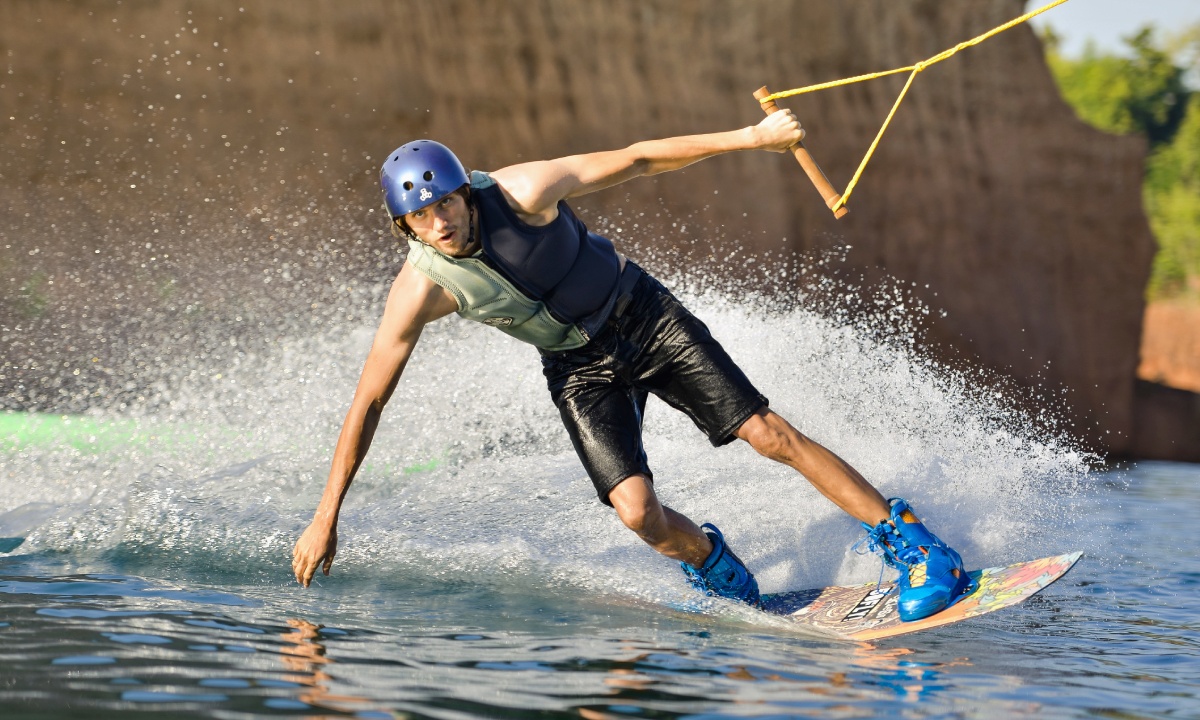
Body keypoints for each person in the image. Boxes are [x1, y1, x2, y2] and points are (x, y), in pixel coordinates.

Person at [291, 110, 974, 621]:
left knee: (766, 434)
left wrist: (754, 138)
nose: (440, 220)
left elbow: (640, 157)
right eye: (421, 214)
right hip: (577, 370)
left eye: (446, 202)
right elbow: (369, 403)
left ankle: (915, 546)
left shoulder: (523, 192)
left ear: (465, 192)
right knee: (636, 513)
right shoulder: (420, 289)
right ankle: (717, 567)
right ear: (404, 226)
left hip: (643, 316)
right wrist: (327, 515)